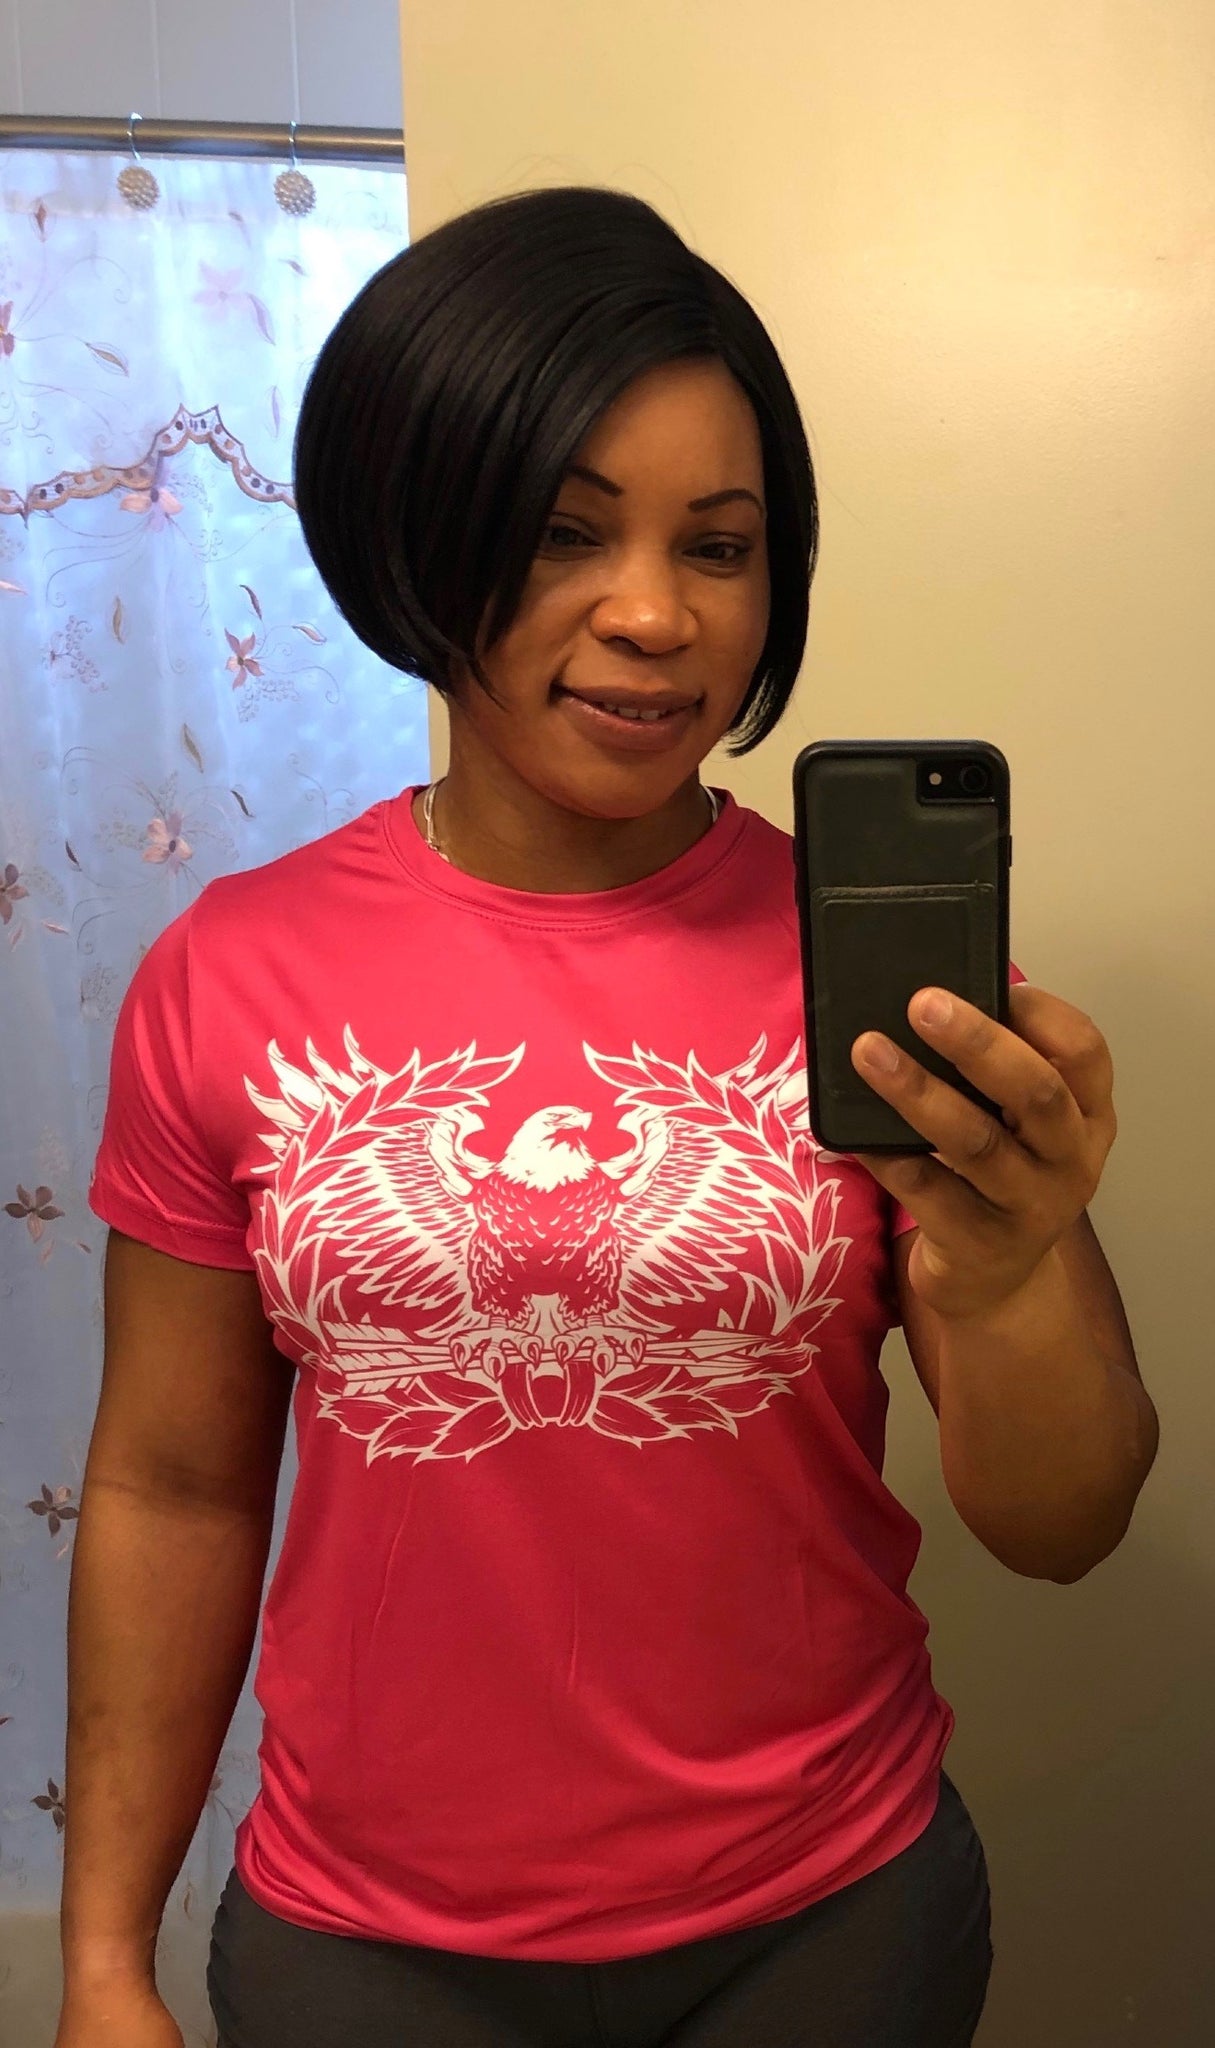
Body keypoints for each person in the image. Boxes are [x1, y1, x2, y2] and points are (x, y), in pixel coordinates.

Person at [56, 187, 1158, 2048]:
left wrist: (1006, 1264)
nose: (656, 614)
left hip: (827, 1922)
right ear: (420, 529)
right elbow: (174, 1486)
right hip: (364, 1946)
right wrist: (103, 1957)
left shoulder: (886, 988)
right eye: (568, 533)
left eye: (718, 546)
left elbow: (1067, 1522)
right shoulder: (229, 975)